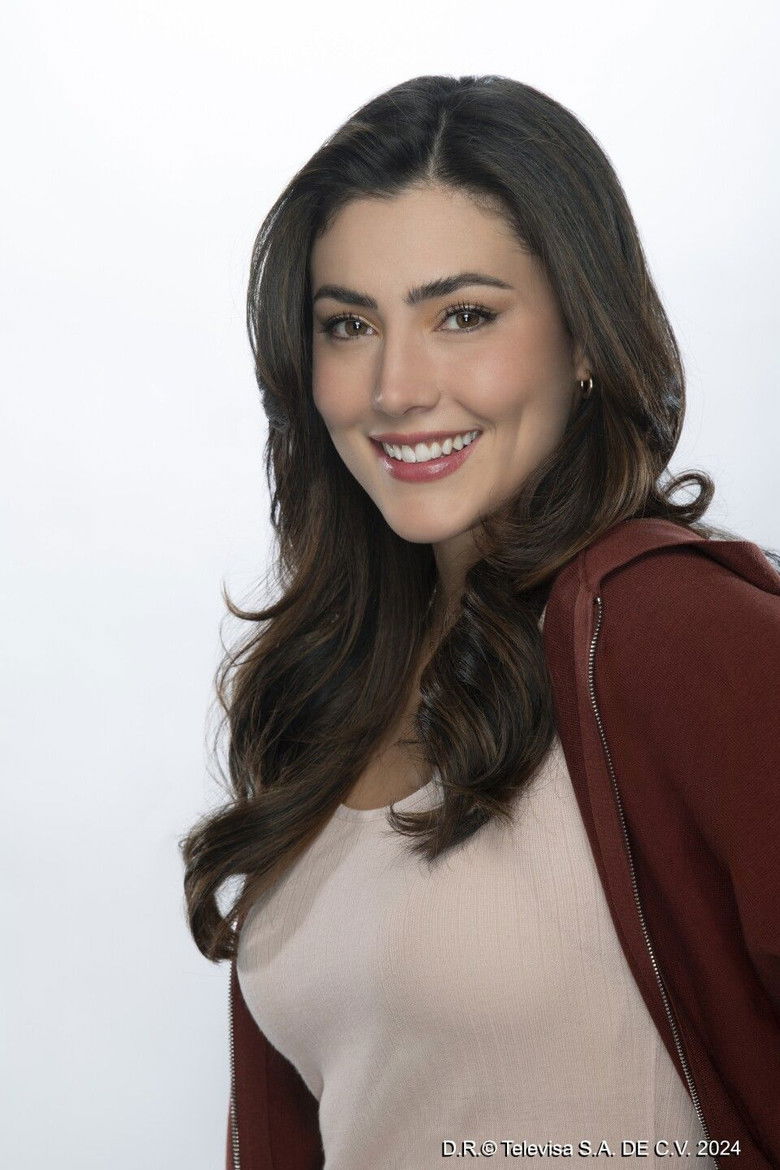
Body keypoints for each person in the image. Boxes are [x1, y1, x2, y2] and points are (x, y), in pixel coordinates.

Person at [179, 74, 780, 1169]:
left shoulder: (681, 635)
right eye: (349, 325)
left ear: (585, 335)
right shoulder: (329, 684)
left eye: (463, 315)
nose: (395, 388)